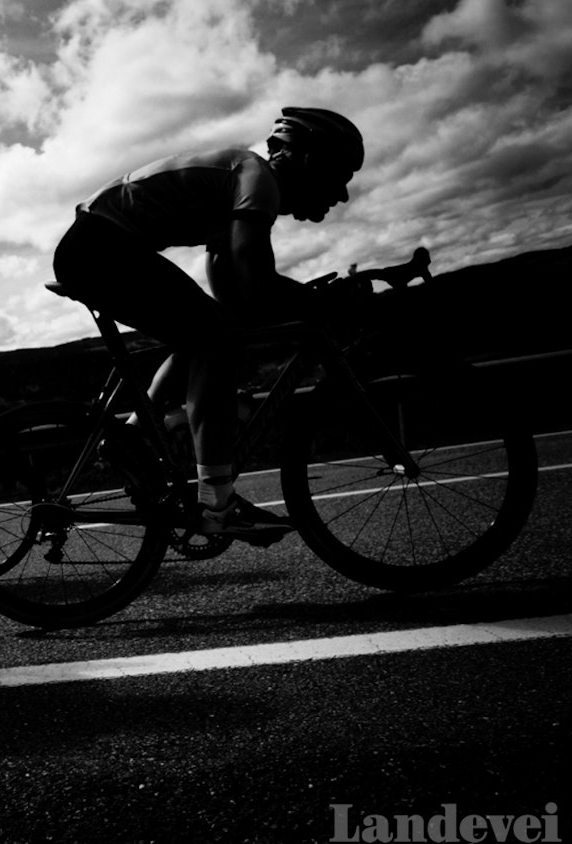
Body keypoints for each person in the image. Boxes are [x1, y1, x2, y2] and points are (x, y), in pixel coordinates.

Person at [52, 107, 364, 537]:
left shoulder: (240, 184)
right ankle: (216, 505)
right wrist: (317, 300)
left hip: (97, 244)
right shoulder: (258, 182)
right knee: (213, 340)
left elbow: (238, 300)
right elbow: (255, 284)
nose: (343, 194)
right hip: (100, 247)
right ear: (308, 161)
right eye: (341, 175)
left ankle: (134, 439)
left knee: (212, 330)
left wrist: (293, 305)